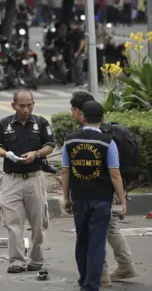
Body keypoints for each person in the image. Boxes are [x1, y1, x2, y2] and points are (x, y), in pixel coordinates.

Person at [69, 92, 139, 285]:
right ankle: (125, 265)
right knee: (109, 228)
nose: (73, 114)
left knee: (97, 233)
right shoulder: (108, 131)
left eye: (73, 110)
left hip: (102, 191)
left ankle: (102, 275)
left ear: (80, 112)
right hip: (115, 187)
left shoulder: (93, 136)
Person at [0, 90, 55, 274]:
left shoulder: (41, 123)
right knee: (13, 222)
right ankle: (17, 261)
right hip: (12, 179)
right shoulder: (4, 124)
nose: (26, 109)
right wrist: (6, 154)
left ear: (33, 103)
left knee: (38, 222)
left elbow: (50, 145)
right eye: (22, 106)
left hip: (34, 178)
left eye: (29, 105)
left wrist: (36, 153)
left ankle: (36, 258)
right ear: (13, 106)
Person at [69, 20, 86, 86]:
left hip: (80, 52)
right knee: (75, 67)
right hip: (75, 52)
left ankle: (81, 82)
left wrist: (77, 52)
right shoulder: (74, 32)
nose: (70, 26)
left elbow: (82, 43)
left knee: (79, 66)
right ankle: (77, 81)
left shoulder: (80, 32)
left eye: (71, 25)